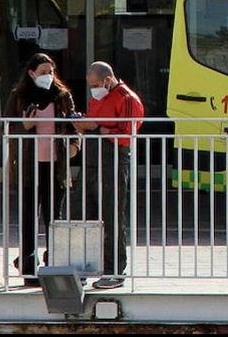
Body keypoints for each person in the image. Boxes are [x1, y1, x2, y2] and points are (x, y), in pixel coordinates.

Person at [3, 52, 79, 287]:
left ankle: (54, 264)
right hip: (28, 166)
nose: (48, 76)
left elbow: (72, 125)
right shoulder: (19, 96)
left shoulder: (62, 96)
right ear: (31, 73)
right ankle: (28, 267)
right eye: (44, 72)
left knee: (54, 217)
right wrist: (24, 126)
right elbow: (6, 127)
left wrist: (75, 145)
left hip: (56, 166)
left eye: (51, 72)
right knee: (29, 218)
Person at [70, 61, 144, 290]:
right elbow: (95, 121)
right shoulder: (98, 97)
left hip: (113, 159)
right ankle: (82, 267)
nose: (94, 89)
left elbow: (129, 132)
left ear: (108, 80)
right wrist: (82, 125)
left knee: (112, 216)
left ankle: (114, 270)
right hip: (91, 159)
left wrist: (100, 128)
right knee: (81, 213)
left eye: (96, 84)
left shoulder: (127, 98)